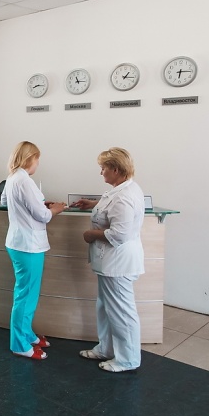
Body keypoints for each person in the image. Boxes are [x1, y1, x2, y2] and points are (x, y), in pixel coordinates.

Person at [71, 147, 146, 373]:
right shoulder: (122, 189)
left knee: (121, 312)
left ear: (115, 169)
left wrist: (91, 235)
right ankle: (106, 348)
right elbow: (111, 210)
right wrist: (92, 204)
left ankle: (128, 360)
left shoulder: (123, 196)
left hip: (118, 263)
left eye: (103, 168)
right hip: (111, 263)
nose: (101, 172)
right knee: (105, 307)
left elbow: (120, 234)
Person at [1, 141, 66, 360]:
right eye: (37, 159)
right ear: (30, 158)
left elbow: (4, 201)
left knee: (27, 294)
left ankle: (26, 334)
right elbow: (43, 216)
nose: (38, 163)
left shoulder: (12, 178)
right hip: (27, 245)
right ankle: (19, 344)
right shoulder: (24, 180)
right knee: (26, 295)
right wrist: (55, 209)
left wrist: (38, 205)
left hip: (19, 243)